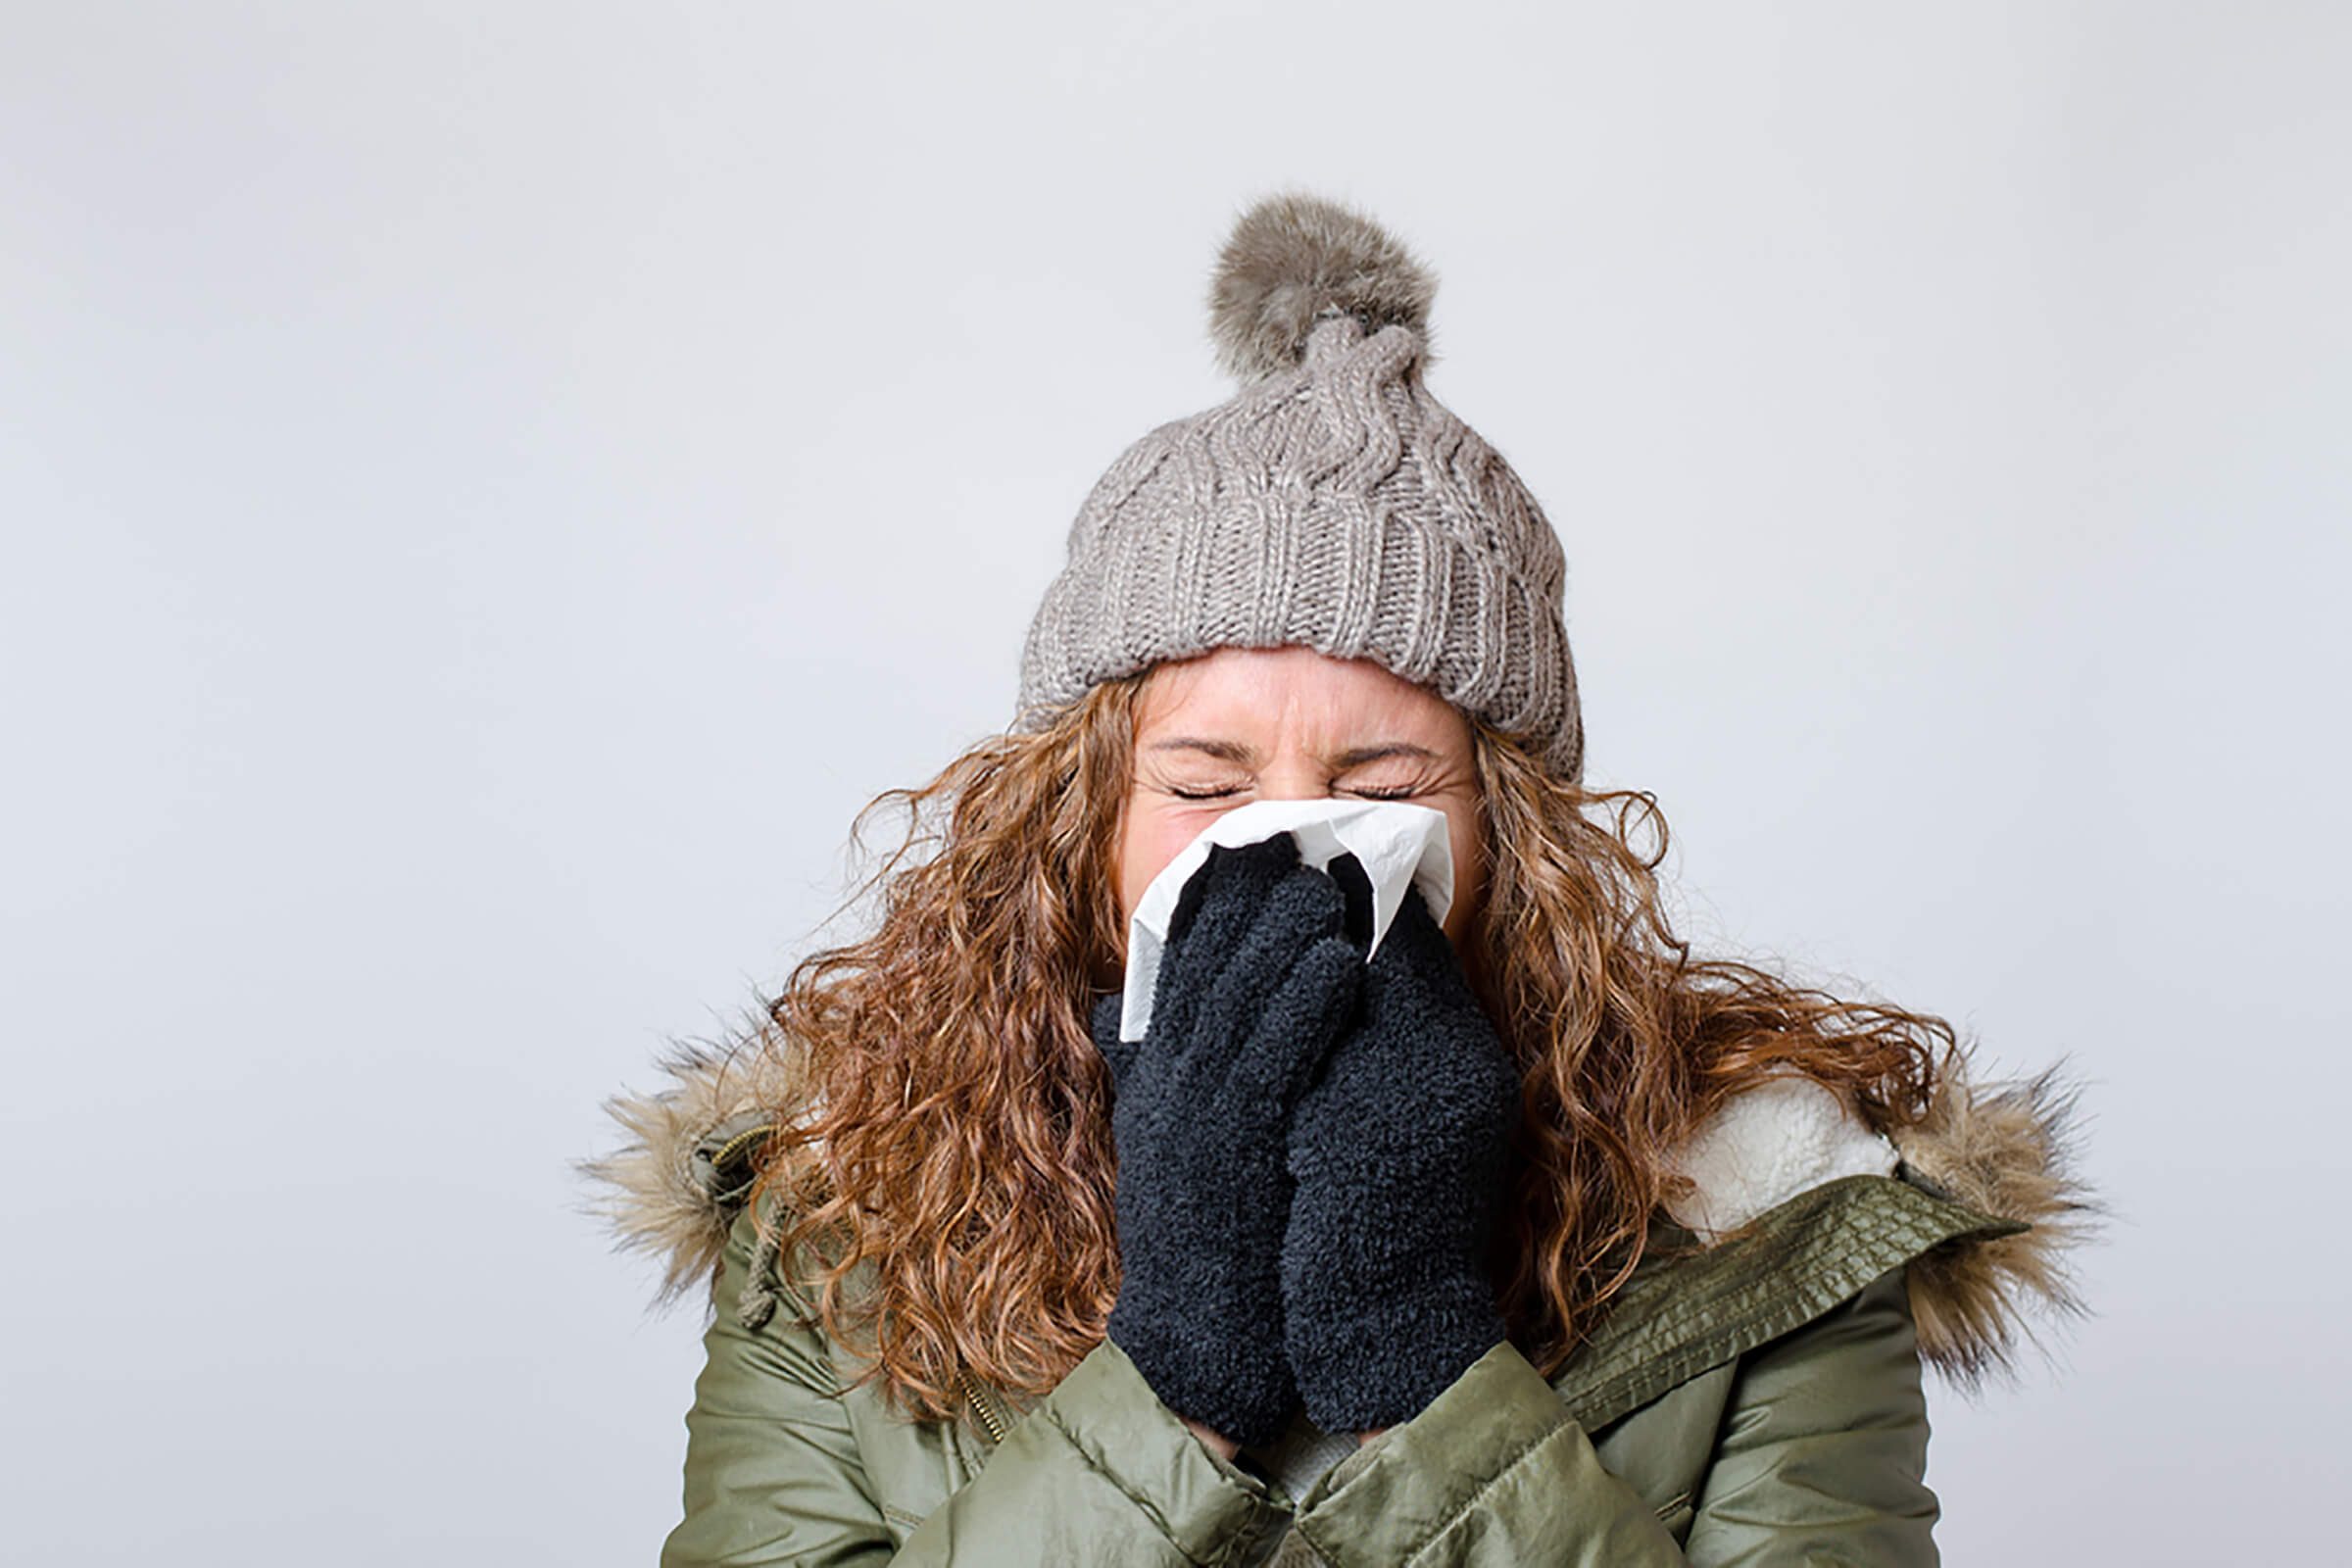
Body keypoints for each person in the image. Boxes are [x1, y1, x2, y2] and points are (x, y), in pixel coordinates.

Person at [586, 191, 2100, 1566]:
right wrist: (1171, 1383)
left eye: (1384, 790)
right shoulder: (848, 1197)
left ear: (1515, 834)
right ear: (1076, 819)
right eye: (1203, 786)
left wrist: (1422, 1371)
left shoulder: (1760, 1215)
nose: (1291, 844)